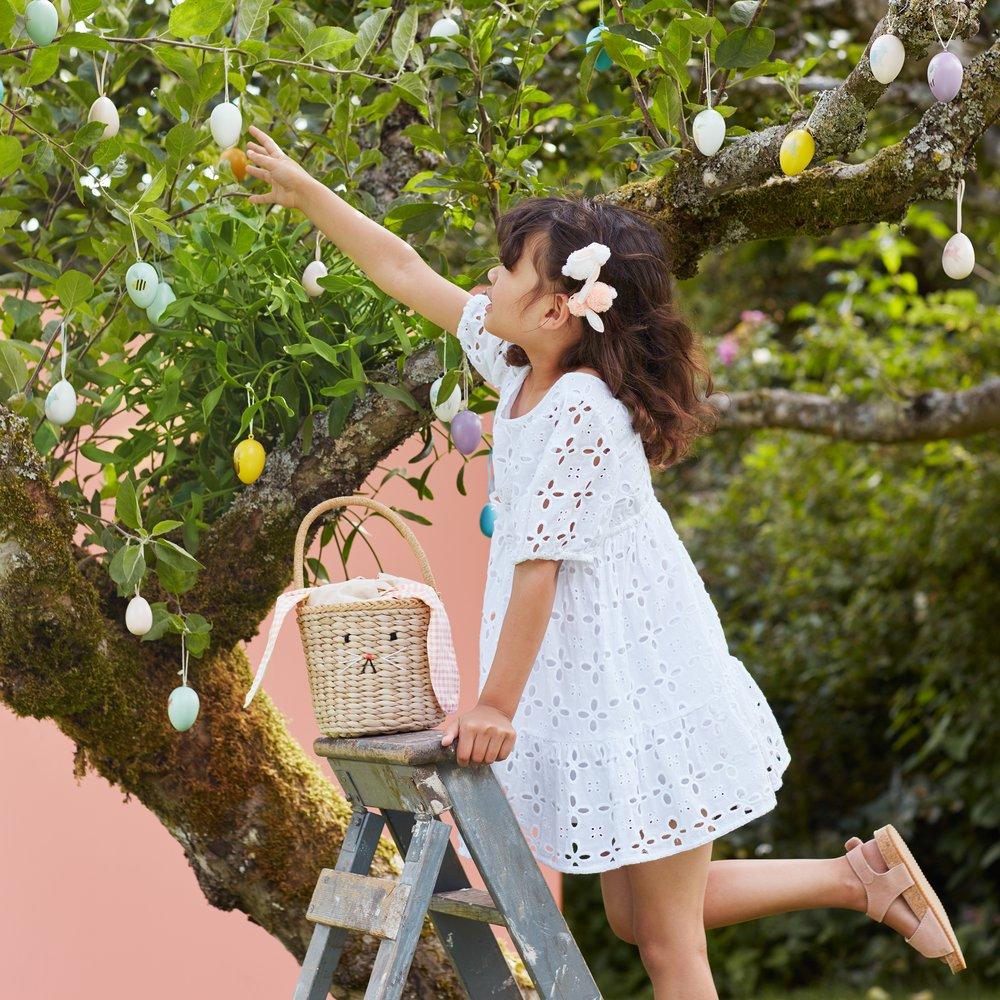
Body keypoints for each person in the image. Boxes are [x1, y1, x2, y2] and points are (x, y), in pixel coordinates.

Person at [244, 124, 966, 996]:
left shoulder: (584, 409)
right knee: (635, 920)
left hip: (646, 679)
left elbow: (540, 566)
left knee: (666, 945)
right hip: (604, 682)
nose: (489, 278)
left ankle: (862, 881)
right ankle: (860, 880)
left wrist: (496, 707)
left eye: (510, 266)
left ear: (556, 308)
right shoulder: (520, 377)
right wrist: (307, 191)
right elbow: (405, 270)